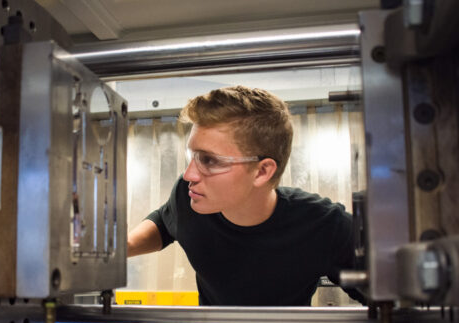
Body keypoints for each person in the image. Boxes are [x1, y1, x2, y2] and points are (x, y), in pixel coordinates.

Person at [127, 86, 363, 306]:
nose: (189, 175)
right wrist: (121, 248)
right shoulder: (188, 197)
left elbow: (389, 299)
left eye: (209, 160)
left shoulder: (324, 225)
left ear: (262, 171)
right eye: (192, 157)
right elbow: (165, 223)